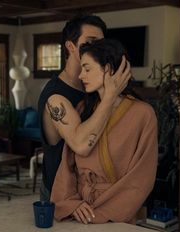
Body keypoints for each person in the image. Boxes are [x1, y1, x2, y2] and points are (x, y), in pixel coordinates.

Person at [50, 39, 158, 224]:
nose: (81, 75)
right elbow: (67, 166)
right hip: (80, 211)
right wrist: (72, 204)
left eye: (87, 68)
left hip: (118, 212)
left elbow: (142, 177)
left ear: (107, 69)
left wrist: (100, 214)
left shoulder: (143, 114)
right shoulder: (84, 109)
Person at [38, 14, 131, 201]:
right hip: (61, 196)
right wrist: (110, 97)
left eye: (101, 43)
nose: (97, 49)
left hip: (93, 194)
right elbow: (81, 145)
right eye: (89, 43)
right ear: (70, 47)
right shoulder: (55, 97)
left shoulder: (96, 88)